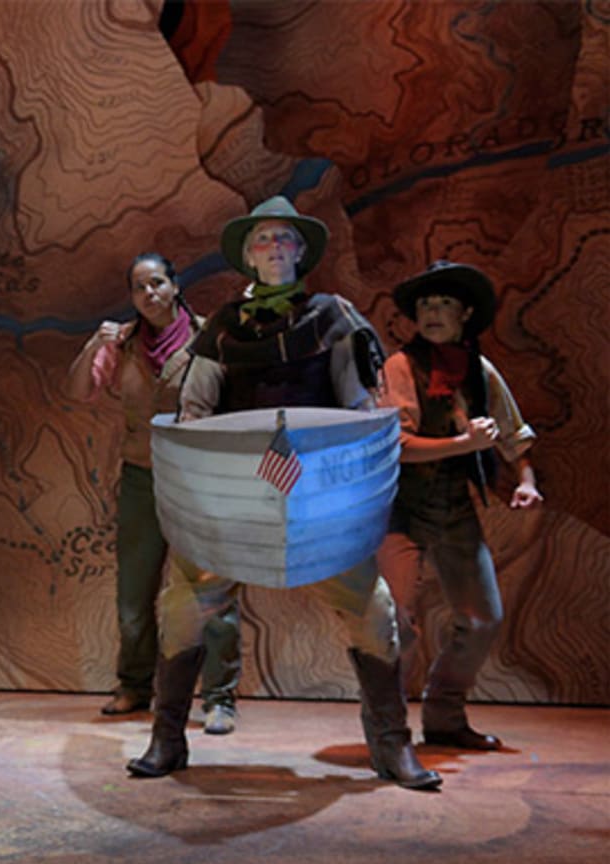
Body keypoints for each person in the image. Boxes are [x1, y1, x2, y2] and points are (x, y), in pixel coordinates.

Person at [127, 196, 441, 791]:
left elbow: (357, 409)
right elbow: (194, 411)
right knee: (182, 607)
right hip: (233, 500)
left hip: (317, 500)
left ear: (301, 252)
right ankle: (167, 737)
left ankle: (392, 744)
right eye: (264, 240)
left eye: (284, 239)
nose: (275, 248)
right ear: (249, 256)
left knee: (373, 612)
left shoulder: (334, 317)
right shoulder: (223, 328)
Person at [65, 252, 242, 732]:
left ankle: (220, 697)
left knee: (211, 589)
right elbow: (78, 391)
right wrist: (92, 346)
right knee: (134, 591)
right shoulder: (123, 344)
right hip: (142, 477)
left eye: (158, 283)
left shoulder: (209, 336)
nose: (150, 293)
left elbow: (234, 401)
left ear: (175, 285)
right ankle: (134, 685)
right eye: (140, 287)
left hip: (198, 479)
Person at [377, 260, 540, 751]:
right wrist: (463, 445)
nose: (432, 312)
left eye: (444, 303)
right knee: (394, 624)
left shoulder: (478, 370)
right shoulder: (400, 366)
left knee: (483, 617)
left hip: (453, 508)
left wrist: (526, 480)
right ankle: (387, 729)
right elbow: (397, 445)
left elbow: (513, 435)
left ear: (465, 313)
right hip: (402, 508)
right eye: (425, 304)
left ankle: (445, 716)